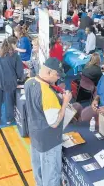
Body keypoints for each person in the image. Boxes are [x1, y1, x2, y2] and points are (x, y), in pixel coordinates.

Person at [25, 57, 72, 186]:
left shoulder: (29, 82)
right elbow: (55, 122)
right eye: (57, 75)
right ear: (49, 72)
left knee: (39, 172)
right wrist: (65, 102)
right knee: (51, 176)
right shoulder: (47, 93)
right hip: (49, 142)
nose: (58, 78)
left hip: (35, 136)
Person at [0, 36, 24, 126]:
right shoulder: (15, 56)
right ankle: (9, 119)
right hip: (9, 82)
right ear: (13, 44)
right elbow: (19, 72)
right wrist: (21, 78)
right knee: (9, 101)